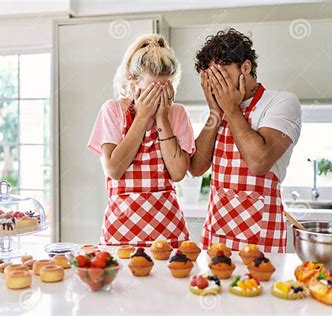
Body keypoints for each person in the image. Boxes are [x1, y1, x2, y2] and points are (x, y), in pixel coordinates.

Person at [190, 29, 302, 253]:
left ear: (246, 67)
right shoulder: (219, 110)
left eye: (222, 75)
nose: (217, 85)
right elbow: (196, 167)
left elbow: (258, 162)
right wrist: (214, 111)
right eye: (211, 79)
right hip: (216, 237)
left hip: (261, 239)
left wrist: (230, 110)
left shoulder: (281, 103)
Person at [88, 34, 195, 247]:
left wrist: (162, 116)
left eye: (166, 86)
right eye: (154, 87)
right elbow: (114, 169)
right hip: (121, 232)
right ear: (133, 80)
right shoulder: (113, 110)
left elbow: (178, 172)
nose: (160, 94)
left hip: (168, 230)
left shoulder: (177, 113)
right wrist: (143, 116)